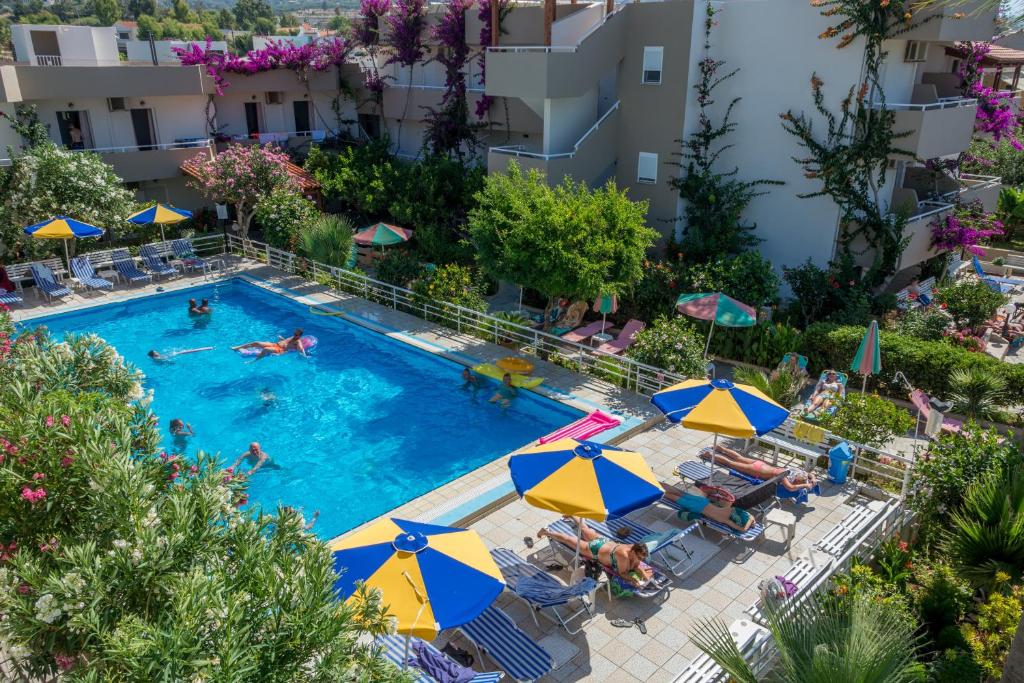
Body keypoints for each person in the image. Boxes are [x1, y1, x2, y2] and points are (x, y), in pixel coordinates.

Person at [538, 518, 654, 588]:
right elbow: (622, 573)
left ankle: (572, 515)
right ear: (633, 552)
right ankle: (546, 532)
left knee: (585, 529)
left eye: (642, 558)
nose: (640, 560)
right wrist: (634, 580)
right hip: (594, 549)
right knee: (568, 539)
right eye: (639, 557)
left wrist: (643, 572)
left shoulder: (634, 547)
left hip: (604, 542)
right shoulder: (623, 555)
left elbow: (636, 564)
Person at [701, 444, 818, 492]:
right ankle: (709, 455)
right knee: (730, 463)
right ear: (797, 480)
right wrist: (805, 485)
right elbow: (791, 488)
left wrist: (812, 479)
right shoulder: (785, 476)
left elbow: (810, 473)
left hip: (761, 464)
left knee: (739, 457)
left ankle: (720, 448)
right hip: (756, 470)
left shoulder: (797, 471)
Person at [661, 482, 756, 532]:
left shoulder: (731, 509)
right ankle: (655, 490)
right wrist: (750, 522)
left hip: (703, 501)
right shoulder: (725, 520)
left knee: (678, 492)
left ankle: (656, 482)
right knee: (673, 497)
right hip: (697, 508)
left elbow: (746, 514)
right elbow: (743, 529)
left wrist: (751, 518)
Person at [233, 329, 307, 360]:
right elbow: (286, 342)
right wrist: (281, 338)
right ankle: (237, 347)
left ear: (299, 336)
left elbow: (301, 350)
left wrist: (304, 356)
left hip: (279, 349)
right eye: (294, 333)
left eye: (296, 335)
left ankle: (254, 361)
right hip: (275, 344)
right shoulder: (293, 337)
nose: (294, 335)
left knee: (266, 349)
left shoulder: (298, 342)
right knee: (256, 342)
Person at [148, 347, 214, 363]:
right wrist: (171, 361)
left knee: (182, 351)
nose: (157, 352)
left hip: (170, 356)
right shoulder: (156, 358)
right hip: (172, 356)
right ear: (153, 354)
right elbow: (164, 359)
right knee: (182, 352)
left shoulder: (155, 357)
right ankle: (208, 348)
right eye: (155, 352)